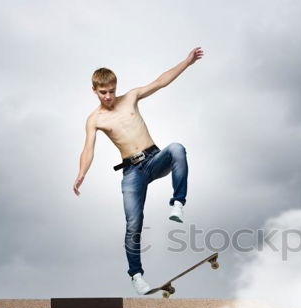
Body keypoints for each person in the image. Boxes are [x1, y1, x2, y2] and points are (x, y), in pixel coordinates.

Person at [73, 47, 204, 295]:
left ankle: (178, 203)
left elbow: (160, 82)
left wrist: (186, 62)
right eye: (103, 93)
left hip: (154, 158)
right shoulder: (95, 119)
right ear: (94, 91)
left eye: (112, 91)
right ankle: (136, 275)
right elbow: (88, 149)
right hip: (132, 172)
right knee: (133, 223)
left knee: (177, 148)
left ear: (116, 86)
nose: (109, 97)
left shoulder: (131, 97)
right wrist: (82, 173)